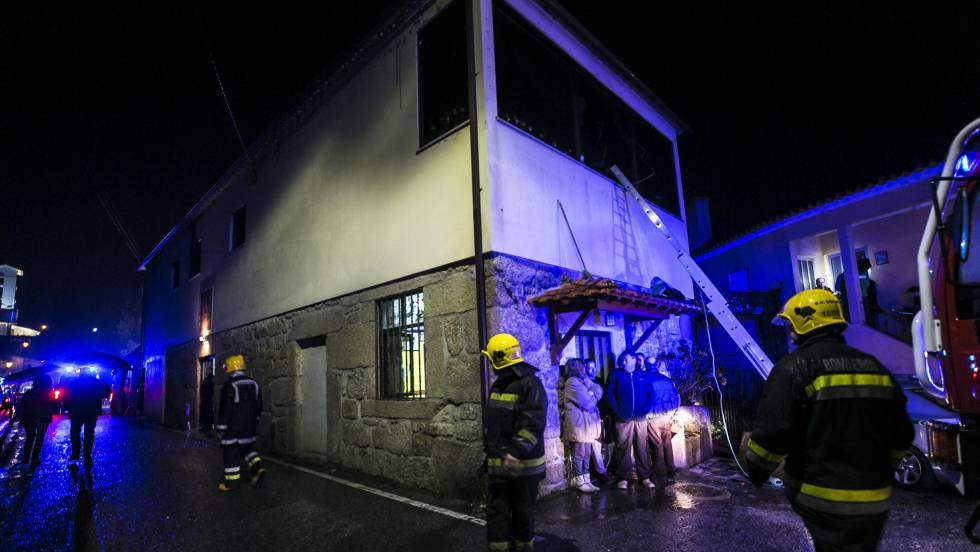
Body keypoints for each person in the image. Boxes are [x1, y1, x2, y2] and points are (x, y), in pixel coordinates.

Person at [744, 289, 914, 551]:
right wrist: (881, 469)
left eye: (790, 326)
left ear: (804, 324)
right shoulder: (874, 367)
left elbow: (773, 434)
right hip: (877, 498)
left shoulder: (794, 367)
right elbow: (902, 433)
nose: (789, 334)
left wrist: (755, 469)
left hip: (822, 497)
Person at [483, 333, 547, 552]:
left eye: (490, 359)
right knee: (496, 514)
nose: (489, 364)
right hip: (499, 465)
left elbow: (533, 425)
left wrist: (515, 453)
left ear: (498, 358)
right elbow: (495, 427)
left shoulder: (530, 385)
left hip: (522, 468)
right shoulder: (500, 384)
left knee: (522, 513)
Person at [216, 354, 266, 491]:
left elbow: (225, 409)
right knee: (248, 449)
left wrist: (221, 428)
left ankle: (232, 484)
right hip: (249, 427)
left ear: (230, 369)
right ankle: (258, 467)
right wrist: (255, 421)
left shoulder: (229, 385)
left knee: (230, 454)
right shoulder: (254, 384)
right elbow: (259, 406)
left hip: (233, 428)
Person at [605, 352, 654, 490]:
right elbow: (609, 393)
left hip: (640, 418)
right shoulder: (615, 374)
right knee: (623, 448)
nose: (624, 363)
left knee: (642, 448)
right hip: (623, 418)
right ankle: (623, 478)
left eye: (626, 360)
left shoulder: (643, 375)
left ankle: (645, 477)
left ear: (633, 360)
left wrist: (646, 409)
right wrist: (617, 410)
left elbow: (651, 394)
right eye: (622, 361)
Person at [563, 359, 602, 493]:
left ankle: (587, 480)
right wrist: (591, 394)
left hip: (587, 424)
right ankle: (579, 481)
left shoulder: (584, 380)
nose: (584, 369)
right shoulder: (572, 382)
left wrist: (592, 393)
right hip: (579, 424)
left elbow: (598, 389)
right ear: (575, 368)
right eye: (580, 366)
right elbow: (587, 404)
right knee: (579, 454)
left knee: (587, 453)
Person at [644, 358, 679, 487]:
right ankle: (671, 471)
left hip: (653, 416)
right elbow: (676, 397)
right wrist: (672, 413)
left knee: (656, 445)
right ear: (656, 365)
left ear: (646, 365)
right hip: (667, 416)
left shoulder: (645, 379)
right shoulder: (667, 380)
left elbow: (645, 398)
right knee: (667, 444)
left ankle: (660, 473)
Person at [66, 369, 111, 463]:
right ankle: (87, 455)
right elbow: (107, 391)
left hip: (76, 411)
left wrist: (68, 407)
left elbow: (67, 394)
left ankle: (75, 454)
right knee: (89, 433)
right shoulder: (97, 382)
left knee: (75, 432)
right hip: (92, 410)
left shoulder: (74, 382)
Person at [16, 374, 56, 471]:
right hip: (43, 417)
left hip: (29, 418)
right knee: (39, 438)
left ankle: (25, 459)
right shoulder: (49, 393)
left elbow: (23, 405)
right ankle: (35, 457)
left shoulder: (29, 393)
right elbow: (54, 405)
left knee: (30, 438)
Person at [585, 360, 610, 483]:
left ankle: (601, 470)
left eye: (594, 367)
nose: (592, 370)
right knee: (594, 445)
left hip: (599, 417)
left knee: (600, 444)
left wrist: (604, 413)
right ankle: (600, 472)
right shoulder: (583, 383)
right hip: (589, 418)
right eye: (589, 368)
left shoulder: (599, 381)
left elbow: (603, 399)